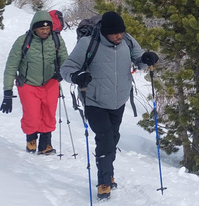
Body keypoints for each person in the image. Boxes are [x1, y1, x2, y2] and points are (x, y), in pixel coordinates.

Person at [61, 11, 159, 201]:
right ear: (105, 32)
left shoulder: (128, 41)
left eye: (121, 32)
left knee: (113, 138)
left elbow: (138, 60)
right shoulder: (88, 43)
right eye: (114, 33)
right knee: (105, 138)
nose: (119, 36)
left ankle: (108, 171)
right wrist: (76, 76)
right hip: (94, 101)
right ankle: (104, 182)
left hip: (118, 100)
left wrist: (147, 58)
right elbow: (66, 68)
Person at [1, 10, 68, 155]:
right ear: (34, 28)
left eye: (47, 28)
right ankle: (31, 139)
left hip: (50, 82)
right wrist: (7, 92)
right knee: (32, 115)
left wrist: (62, 72)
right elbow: (11, 66)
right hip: (28, 83)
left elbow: (65, 59)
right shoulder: (23, 41)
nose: (45, 31)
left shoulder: (56, 40)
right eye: (41, 29)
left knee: (49, 113)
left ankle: (46, 144)